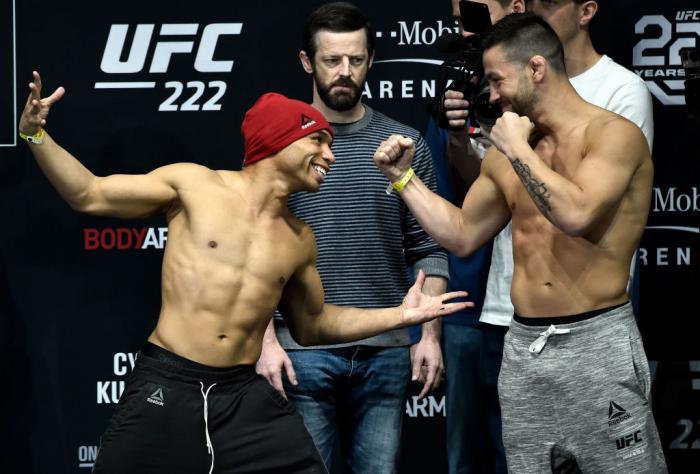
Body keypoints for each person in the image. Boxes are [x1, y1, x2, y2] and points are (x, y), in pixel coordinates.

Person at [18, 72, 470, 474]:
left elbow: (313, 327)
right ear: (280, 140)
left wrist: (400, 316)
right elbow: (89, 194)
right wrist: (37, 136)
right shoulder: (194, 185)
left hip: (241, 394)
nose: (330, 156)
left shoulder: (297, 238)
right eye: (319, 141)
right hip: (168, 381)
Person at [374, 13, 667, 473]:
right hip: (524, 348)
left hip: (597, 343)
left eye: (495, 80)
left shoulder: (613, 136)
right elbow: (462, 234)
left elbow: (576, 214)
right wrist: (403, 178)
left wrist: (517, 149)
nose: (490, 96)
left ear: (536, 69)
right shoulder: (510, 150)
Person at [254, 3, 449, 473]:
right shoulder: (280, 148)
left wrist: (429, 334)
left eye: (356, 60)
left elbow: (429, 247)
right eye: (331, 60)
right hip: (301, 352)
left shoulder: (404, 145)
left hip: (385, 352)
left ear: (371, 60)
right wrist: (265, 342)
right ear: (307, 62)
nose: (345, 72)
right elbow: (251, 248)